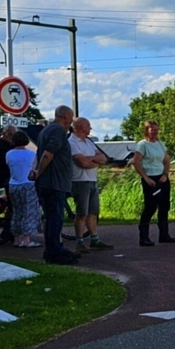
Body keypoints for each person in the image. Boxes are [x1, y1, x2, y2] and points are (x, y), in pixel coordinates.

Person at [32, 105, 78, 264]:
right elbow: (47, 154)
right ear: (65, 116)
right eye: (71, 117)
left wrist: (35, 171)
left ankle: (54, 248)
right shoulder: (58, 131)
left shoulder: (45, 130)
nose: (71, 121)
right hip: (54, 182)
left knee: (51, 218)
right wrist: (39, 172)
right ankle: (54, 251)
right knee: (55, 218)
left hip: (47, 183)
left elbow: (39, 154)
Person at [69, 117, 114, 252]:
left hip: (92, 180)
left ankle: (95, 239)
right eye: (89, 126)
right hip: (80, 181)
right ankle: (79, 241)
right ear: (82, 127)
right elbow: (82, 163)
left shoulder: (88, 141)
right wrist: (95, 160)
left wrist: (91, 160)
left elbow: (103, 158)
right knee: (82, 212)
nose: (90, 129)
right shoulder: (72, 142)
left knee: (93, 212)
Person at [132, 119, 175, 246]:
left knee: (164, 206)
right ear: (147, 131)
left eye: (156, 130)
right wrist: (145, 177)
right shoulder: (142, 145)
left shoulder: (160, 144)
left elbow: (166, 160)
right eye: (152, 130)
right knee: (150, 207)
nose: (155, 132)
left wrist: (165, 174)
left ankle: (164, 234)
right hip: (150, 178)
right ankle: (143, 237)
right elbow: (136, 162)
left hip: (161, 177)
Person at [5, 130, 40, 248]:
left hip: (13, 184)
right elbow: (35, 167)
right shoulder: (32, 154)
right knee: (28, 212)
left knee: (17, 211)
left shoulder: (9, 154)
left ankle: (17, 238)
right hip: (28, 184)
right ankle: (26, 240)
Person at [0, 124, 16, 243]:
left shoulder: (12, 145)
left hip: (11, 176)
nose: (12, 136)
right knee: (12, 203)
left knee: (12, 203)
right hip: (5, 177)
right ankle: (7, 230)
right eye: (10, 134)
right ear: (4, 133)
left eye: (14, 134)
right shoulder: (0, 146)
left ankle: (9, 230)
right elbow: (5, 162)